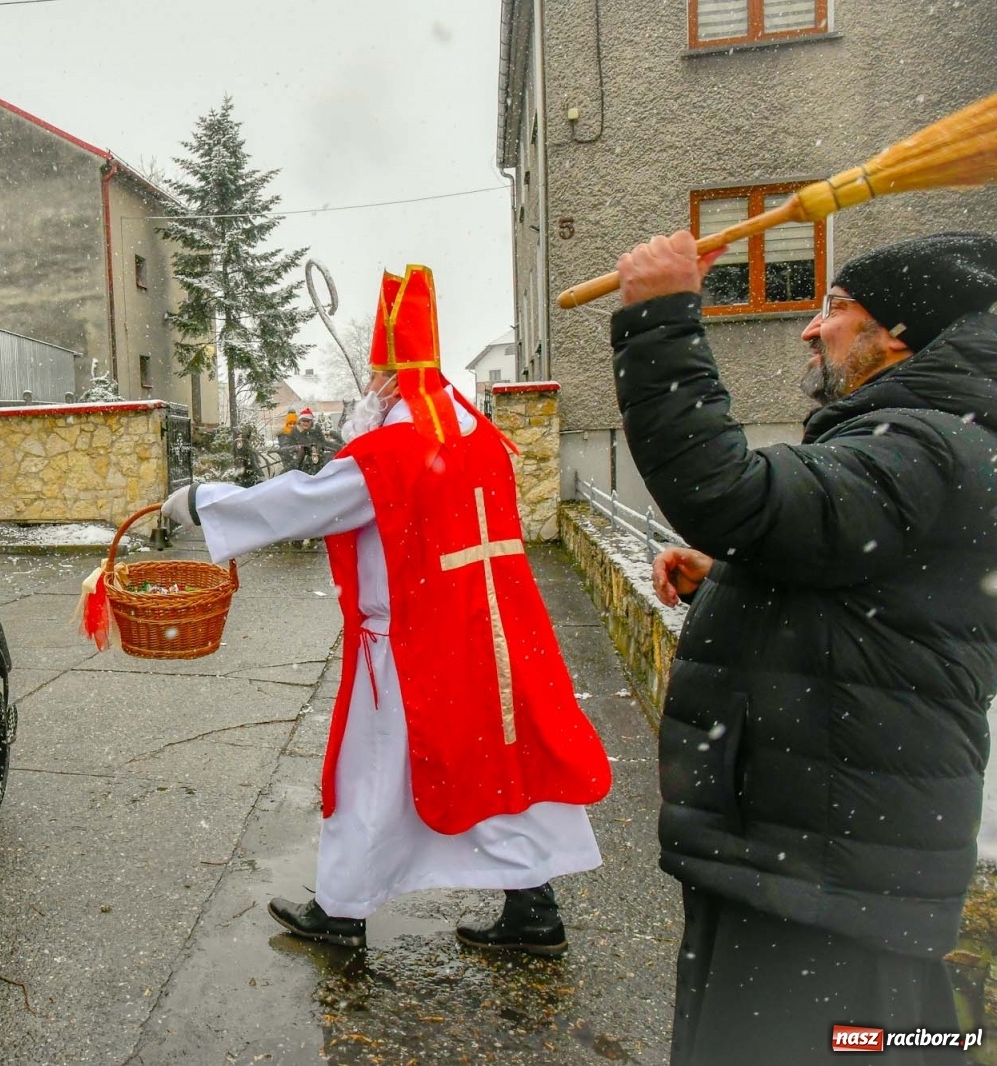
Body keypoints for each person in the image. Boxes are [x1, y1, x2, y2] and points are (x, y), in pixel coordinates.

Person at [610, 230, 997, 1065]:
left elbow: (728, 494)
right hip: (816, 857)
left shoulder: (923, 443)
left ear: (899, 331)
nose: (811, 329)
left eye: (836, 309)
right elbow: (872, 601)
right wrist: (733, 576)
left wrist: (663, 319)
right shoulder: (917, 436)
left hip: (826, 877)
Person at [161, 265, 611, 950]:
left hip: (411, 643)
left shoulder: (396, 449)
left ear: (390, 378)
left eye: (374, 377)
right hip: (489, 633)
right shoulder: (478, 434)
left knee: (369, 772)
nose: (365, 391)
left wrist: (205, 503)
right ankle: (535, 907)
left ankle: (342, 911)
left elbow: (308, 499)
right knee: (493, 762)